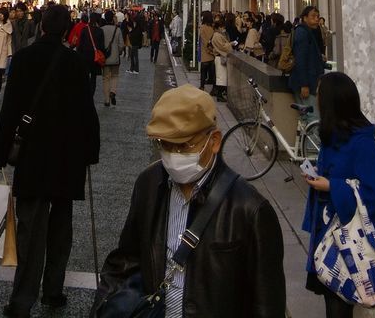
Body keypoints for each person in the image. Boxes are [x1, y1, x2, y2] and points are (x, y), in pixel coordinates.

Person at [92, 84, 287, 318]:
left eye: (184, 145)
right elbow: (124, 260)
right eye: (165, 144)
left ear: (214, 141)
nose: (173, 155)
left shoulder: (250, 209)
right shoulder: (149, 184)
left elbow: (267, 303)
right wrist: (104, 305)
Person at [0, 3, 100, 318]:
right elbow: (87, 112)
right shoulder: (76, 63)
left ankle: (22, 300)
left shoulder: (24, 59)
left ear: (41, 27)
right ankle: (53, 290)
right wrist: (91, 151)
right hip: (67, 157)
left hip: (33, 155)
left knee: (30, 229)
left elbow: (9, 109)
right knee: (61, 228)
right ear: (67, 30)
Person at [302, 71, 375, 315]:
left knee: (338, 306)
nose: (316, 100)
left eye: (320, 95)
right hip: (328, 234)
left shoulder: (362, 143)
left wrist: (331, 186)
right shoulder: (332, 135)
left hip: (346, 240)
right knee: (332, 303)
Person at [288, 5, 328, 116]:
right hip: (306, 84)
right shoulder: (302, 32)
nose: (317, 19)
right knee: (313, 117)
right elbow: (301, 59)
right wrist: (304, 84)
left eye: (318, 16)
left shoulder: (310, 32)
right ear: (305, 18)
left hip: (310, 82)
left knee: (307, 118)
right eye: (313, 16)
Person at [99, 9, 122, 107]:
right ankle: (113, 91)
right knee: (115, 76)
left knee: (105, 78)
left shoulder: (102, 29)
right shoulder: (118, 30)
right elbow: (121, 45)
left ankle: (107, 100)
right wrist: (119, 52)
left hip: (105, 58)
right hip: (115, 58)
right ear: (112, 19)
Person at [211, 16, 233, 103]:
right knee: (221, 77)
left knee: (222, 77)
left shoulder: (217, 35)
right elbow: (222, 47)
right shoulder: (217, 36)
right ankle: (219, 95)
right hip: (220, 57)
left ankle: (220, 94)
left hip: (220, 57)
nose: (223, 29)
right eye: (222, 27)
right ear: (219, 27)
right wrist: (230, 44)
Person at [199, 10, 216, 92]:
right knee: (212, 73)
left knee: (203, 72)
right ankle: (214, 89)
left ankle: (202, 86)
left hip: (205, 54)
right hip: (213, 54)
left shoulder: (202, 27)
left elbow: (204, 41)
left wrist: (208, 50)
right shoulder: (212, 28)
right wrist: (212, 51)